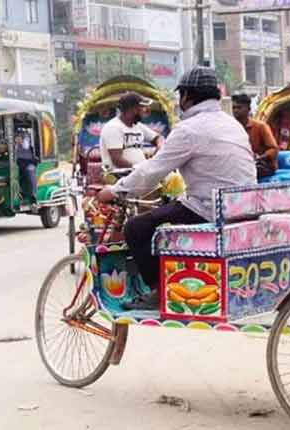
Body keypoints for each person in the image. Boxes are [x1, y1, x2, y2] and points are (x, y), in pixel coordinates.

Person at [96, 67, 257, 310]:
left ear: (188, 97)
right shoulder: (232, 123)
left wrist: (116, 191)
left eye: (180, 96)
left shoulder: (189, 129)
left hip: (210, 209)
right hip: (242, 207)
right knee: (168, 211)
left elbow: (151, 172)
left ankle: (159, 291)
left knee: (137, 227)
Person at [99, 92, 164, 170]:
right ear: (132, 109)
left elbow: (158, 137)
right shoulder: (113, 127)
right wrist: (141, 169)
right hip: (120, 175)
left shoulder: (137, 126)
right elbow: (117, 160)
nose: (144, 111)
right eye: (142, 107)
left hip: (139, 174)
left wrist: (160, 145)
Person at [231, 94, 279, 179]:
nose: (236, 110)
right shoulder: (231, 127)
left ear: (248, 109)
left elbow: (274, 149)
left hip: (261, 165)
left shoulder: (261, 127)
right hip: (240, 165)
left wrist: (260, 158)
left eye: (239, 108)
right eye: (234, 108)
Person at [14, 133, 37, 205]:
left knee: (30, 173)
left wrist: (20, 141)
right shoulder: (13, 140)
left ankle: (33, 195)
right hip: (18, 162)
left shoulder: (26, 137)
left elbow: (26, 146)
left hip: (28, 162)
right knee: (14, 174)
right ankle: (20, 193)